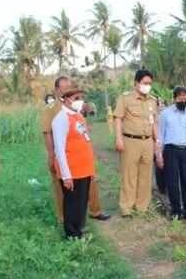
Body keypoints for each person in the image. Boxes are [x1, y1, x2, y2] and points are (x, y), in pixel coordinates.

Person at [41, 77, 109, 224]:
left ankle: (94, 211)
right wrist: (52, 155)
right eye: (64, 88)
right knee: (63, 189)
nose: (68, 90)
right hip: (63, 155)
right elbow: (47, 133)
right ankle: (64, 218)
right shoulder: (52, 109)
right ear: (57, 90)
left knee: (88, 184)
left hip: (81, 157)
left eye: (69, 87)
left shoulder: (75, 106)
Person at [114, 69, 159, 218]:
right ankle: (126, 208)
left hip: (147, 142)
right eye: (145, 83)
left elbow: (154, 123)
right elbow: (118, 118)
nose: (148, 86)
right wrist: (118, 139)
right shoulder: (125, 98)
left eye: (150, 84)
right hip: (130, 141)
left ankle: (142, 207)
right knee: (129, 175)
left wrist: (157, 141)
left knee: (145, 176)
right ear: (136, 83)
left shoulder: (152, 101)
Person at [52, 86, 96, 239]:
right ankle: (72, 234)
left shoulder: (78, 116)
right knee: (72, 204)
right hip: (72, 171)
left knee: (81, 202)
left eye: (80, 98)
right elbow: (59, 149)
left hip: (84, 169)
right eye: (76, 98)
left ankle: (79, 229)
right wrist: (66, 175)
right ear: (67, 99)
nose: (79, 101)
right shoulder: (60, 119)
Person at [156, 86, 186, 220]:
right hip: (170, 151)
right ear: (174, 99)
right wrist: (159, 155)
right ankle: (175, 211)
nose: (183, 100)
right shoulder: (165, 114)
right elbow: (160, 136)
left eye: (185, 98)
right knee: (172, 181)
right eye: (180, 98)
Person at [153, 97, 167, 195]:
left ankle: (162, 187)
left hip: (162, 141)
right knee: (159, 165)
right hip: (158, 141)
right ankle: (162, 187)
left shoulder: (161, 110)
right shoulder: (163, 109)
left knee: (159, 166)